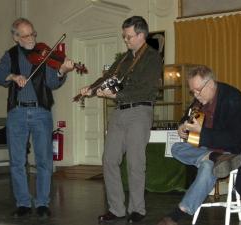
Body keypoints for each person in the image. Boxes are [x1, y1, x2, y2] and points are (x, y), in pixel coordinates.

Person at [157, 65, 241, 225]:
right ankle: (216, 157)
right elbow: (187, 118)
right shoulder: (201, 99)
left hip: (237, 151)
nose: (195, 95)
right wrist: (182, 126)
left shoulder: (232, 100)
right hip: (212, 150)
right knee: (176, 148)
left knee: (208, 166)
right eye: (192, 91)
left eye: (197, 90)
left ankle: (177, 215)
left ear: (210, 84)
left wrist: (202, 131)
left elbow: (236, 140)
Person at [79, 16, 162, 223]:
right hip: (120, 111)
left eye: (129, 36)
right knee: (109, 159)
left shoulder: (152, 58)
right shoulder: (125, 58)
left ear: (141, 35)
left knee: (135, 162)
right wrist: (91, 89)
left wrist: (115, 95)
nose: (125, 40)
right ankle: (116, 209)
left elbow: (144, 88)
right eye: (124, 36)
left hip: (139, 111)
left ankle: (137, 209)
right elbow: (108, 77)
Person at [0, 18, 74, 219]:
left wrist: (62, 70)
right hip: (17, 113)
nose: (31, 38)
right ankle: (22, 203)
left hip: (40, 112)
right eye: (26, 35)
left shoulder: (44, 54)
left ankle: (42, 203)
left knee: (44, 160)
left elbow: (53, 83)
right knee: (17, 161)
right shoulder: (10, 55)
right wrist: (12, 76)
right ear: (16, 37)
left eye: (33, 33)